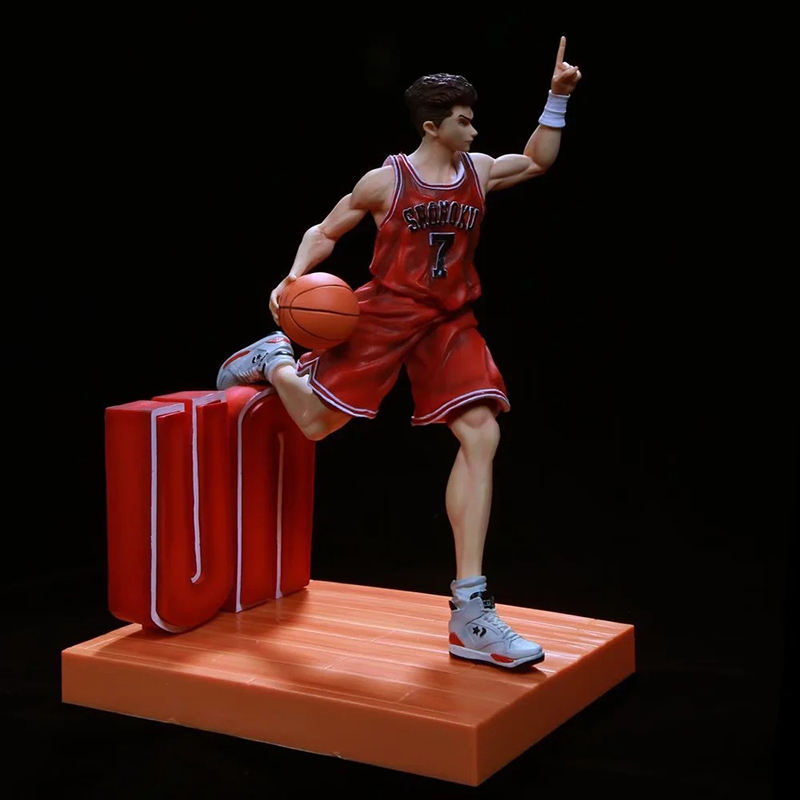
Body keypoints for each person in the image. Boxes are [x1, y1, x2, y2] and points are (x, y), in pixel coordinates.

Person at [216, 37, 582, 669]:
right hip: (386, 311)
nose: (475, 129)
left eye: (473, 118)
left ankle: (470, 611)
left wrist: (557, 98)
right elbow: (325, 230)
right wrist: (292, 280)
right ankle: (274, 358)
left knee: (482, 432)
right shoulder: (386, 181)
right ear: (432, 126)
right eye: (464, 120)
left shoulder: (479, 171)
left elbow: (535, 161)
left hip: (449, 319)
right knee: (316, 426)